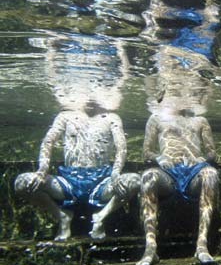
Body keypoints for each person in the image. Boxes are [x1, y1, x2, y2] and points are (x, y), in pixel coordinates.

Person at [14, 99, 140, 240]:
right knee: (21, 183)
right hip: (68, 181)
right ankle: (62, 216)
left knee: (134, 181)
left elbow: (121, 148)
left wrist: (115, 174)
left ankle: (100, 218)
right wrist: (42, 171)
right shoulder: (66, 115)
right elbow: (48, 142)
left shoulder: (112, 118)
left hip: (102, 182)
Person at [136, 102, 218, 265]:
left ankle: (202, 245)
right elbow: (146, 153)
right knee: (148, 176)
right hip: (168, 175)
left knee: (211, 175)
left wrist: (204, 159)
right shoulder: (156, 118)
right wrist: (160, 158)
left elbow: (212, 153)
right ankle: (150, 248)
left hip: (194, 172)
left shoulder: (200, 120)